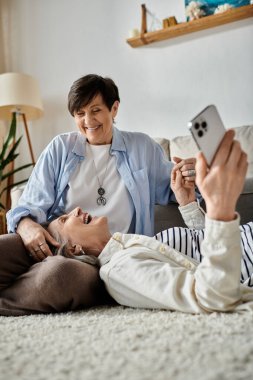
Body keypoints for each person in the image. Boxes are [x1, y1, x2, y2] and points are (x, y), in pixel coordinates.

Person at [45, 130, 253, 313]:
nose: (76, 209)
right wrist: (220, 208)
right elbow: (212, 294)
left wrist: (187, 201)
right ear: (74, 249)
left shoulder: (130, 245)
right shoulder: (119, 270)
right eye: (64, 219)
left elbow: (203, 248)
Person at [6, 74, 196, 262]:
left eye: (95, 110)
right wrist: (24, 225)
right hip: (68, 253)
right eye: (80, 113)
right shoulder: (60, 148)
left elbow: (179, 189)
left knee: (55, 276)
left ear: (114, 109)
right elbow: (30, 205)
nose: (88, 121)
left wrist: (194, 175)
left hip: (120, 256)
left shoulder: (142, 147)